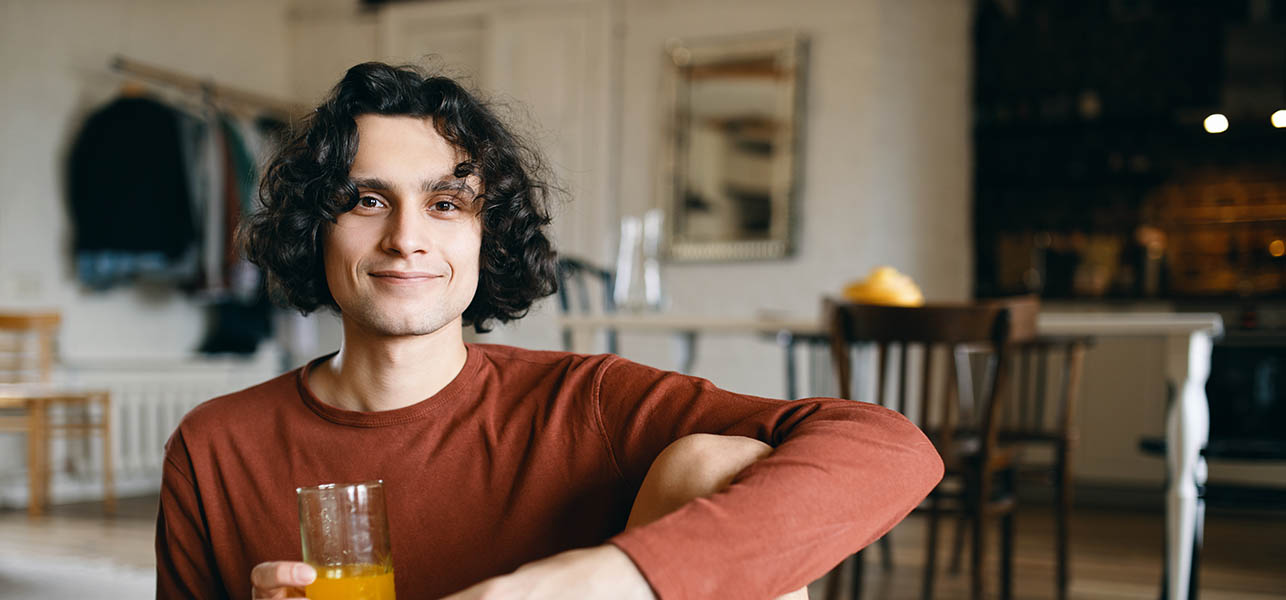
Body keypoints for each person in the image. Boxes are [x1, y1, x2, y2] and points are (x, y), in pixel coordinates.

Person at [154, 62, 943, 600]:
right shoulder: (215, 446)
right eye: (366, 200)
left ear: (484, 234)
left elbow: (892, 448)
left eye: (445, 203)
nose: (406, 238)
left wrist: (610, 578)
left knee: (719, 460)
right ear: (312, 228)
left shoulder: (586, 402)